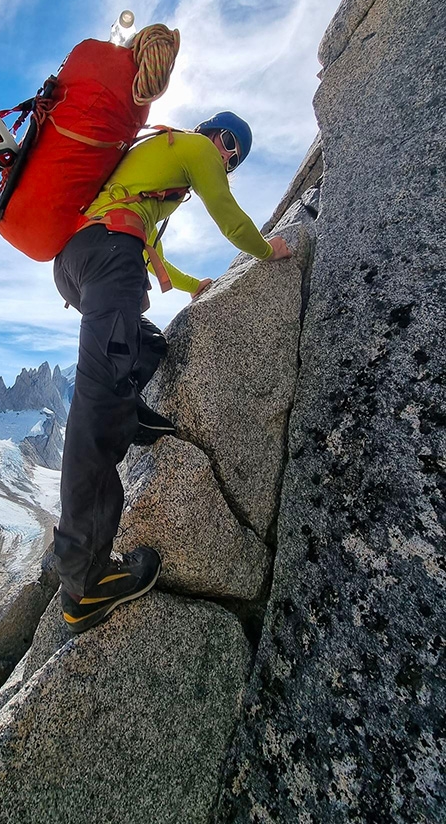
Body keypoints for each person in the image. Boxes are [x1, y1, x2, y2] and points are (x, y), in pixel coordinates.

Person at [53, 112, 292, 634]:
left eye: (237, 156)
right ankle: (85, 582)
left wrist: (189, 288)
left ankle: (130, 415)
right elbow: (227, 216)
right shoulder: (195, 149)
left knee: (147, 343)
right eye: (228, 142)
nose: (228, 156)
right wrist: (267, 249)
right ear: (211, 132)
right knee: (93, 415)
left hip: (80, 261)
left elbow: (152, 251)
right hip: (108, 260)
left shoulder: (156, 169)